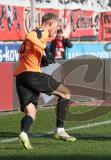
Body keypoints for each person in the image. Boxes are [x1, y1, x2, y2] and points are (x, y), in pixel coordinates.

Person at [15, 13, 76, 150]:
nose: (56, 30)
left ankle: (23, 134)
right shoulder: (41, 31)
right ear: (50, 24)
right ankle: (60, 130)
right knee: (66, 93)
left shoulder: (39, 34)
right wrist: (45, 49)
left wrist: (40, 58)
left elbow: (23, 51)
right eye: (56, 26)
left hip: (21, 76)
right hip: (32, 75)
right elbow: (29, 36)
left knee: (31, 113)